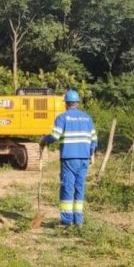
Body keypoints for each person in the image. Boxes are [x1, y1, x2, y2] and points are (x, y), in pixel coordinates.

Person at [41, 89, 97, 227]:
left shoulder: (62, 118)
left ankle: (66, 221)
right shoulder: (87, 118)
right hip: (84, 158)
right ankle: (78, 220)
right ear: (77, 103)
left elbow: (55, 136)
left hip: (69, 159)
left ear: (66, 103)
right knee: (79, 188)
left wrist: (44, 140)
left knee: (67, 187)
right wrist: (91, 153)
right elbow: (94, 139)